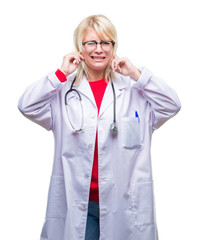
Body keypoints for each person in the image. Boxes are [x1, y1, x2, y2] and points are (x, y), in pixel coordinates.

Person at [18, 14, 181, 240]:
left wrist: (137, 74)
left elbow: (172, 105)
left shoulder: (135, 91)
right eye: (91, 43)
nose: (99, 49)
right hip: (78, 204)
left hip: (124, 204)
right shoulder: (65, 93)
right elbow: (26, 106)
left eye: (106, 42)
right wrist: (60, 74)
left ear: (114, 47)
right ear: (80, 48)